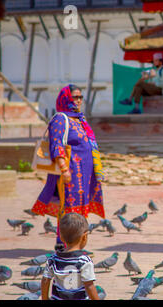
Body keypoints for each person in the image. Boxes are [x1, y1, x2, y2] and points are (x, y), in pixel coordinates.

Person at [31, 84, 105, 252]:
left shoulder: (80, 120)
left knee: (80, 210)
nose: (78, 101)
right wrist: (64, 169)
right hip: (70, 174)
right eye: (75, 97)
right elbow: (56, 145)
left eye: (80, 97)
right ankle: (64, 245)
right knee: (68, 209)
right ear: (66, 98)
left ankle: (76, 244)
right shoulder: (60, 118)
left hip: (84, 176)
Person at [41, 212, 99, 300]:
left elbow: (45, 280)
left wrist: (45, 298)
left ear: (61, 237)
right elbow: (89, 286)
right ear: (84, 237)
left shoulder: (53, 259)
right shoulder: (84, 261)